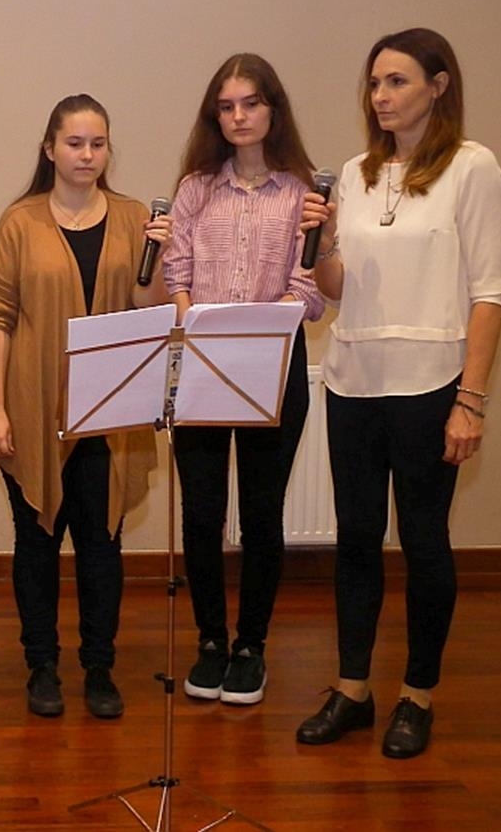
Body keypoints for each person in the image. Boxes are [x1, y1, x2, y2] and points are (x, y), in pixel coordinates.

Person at [295, 28, 501, 759]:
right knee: (356, 539)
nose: (381, 96)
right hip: (354, 380)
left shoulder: (472, 167)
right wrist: (326, 241)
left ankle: (418, 695)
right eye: (374, 83)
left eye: (397, 81)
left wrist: (470, 399)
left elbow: (490, 293)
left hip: (431, 382)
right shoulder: (355, 174)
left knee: (423, 541)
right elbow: (336, 288)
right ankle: (353, 689)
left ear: (438, 86)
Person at [0, 94, 170, 719]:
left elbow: (151, 309)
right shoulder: (19, 222)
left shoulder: (136, 217)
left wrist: (159, 261)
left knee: (101, 544)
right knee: (36, 543)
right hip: (34, 408)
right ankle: (41, 665)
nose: (87, 155)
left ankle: (99, 667)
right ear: (50, 149)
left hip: (113, 411)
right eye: (75, 143)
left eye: (98, 144)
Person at [162, 54, 324, 706]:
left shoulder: (303, 191)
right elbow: (176, 275)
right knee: (201, 514)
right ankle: (210, 641)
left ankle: (251, 646)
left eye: (250, 103)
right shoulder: (195, 189)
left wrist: (256, 333)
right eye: (226, 107)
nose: (238, 117)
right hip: (201, 366)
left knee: (261, 514)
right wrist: (195, 325)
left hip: (273, 367)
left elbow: (309, 293)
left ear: (272, 109)